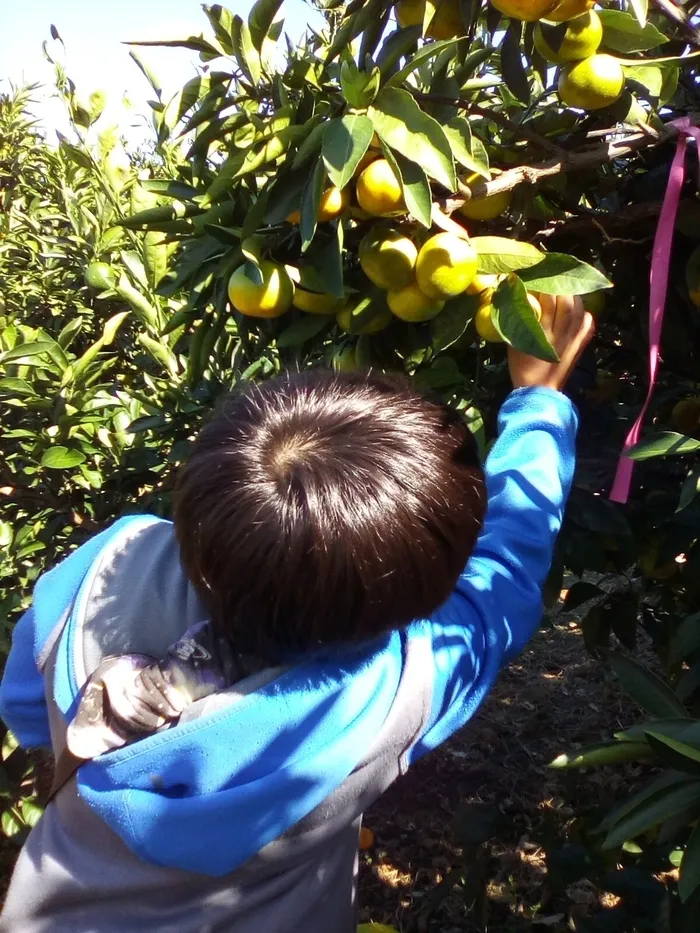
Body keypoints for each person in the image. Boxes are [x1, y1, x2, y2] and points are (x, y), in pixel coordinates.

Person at [0, 295, 593, 933]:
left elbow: (27, 710)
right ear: (426, 596)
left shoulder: (107, 562)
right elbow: (511, 559)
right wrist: (540, 401)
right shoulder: (402, 688)